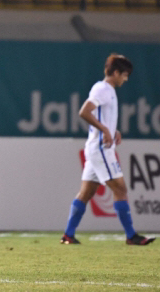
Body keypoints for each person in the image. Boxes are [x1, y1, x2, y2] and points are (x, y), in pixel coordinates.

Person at [61, 54, 154, 246]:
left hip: (96, 148)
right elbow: (84, 111)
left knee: (86, 193)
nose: (125, 79)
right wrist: (105, 129)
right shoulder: (103, 88)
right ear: (116, 72)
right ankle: (131, 236)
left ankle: (68, 235)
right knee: (120, 188)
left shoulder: (107, 90)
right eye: (124, 75)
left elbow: (99, 115)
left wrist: (113, 129)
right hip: (101, 149)